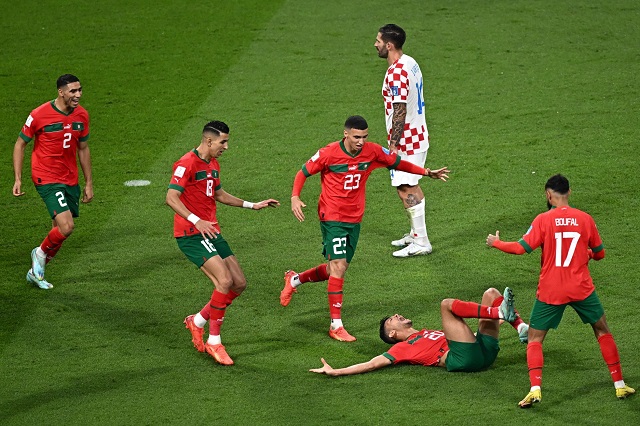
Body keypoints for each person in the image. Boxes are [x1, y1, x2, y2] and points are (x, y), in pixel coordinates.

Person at [280, 115, 449, 342]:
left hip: (354, 218)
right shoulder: (328, 153)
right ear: (346, 134)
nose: (361, 141)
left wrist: (426, 172)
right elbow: (303, 172)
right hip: (332, 216)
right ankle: (336, 325)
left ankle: (295, 279)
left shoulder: (372, 151)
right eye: (356, 137)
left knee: (335, 269)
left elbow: (398, 163)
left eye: (364, 137)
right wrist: (295, 196)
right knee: (338, 267)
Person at [486, 174, 635, 407]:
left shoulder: (543, 219)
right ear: (569, 192)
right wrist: (587, 254)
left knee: (535, 339)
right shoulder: (585, 219)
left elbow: (520, 248)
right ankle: (620, 385)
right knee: (602, 330)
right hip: (581, 288)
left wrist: (496, 243)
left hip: (551, 289)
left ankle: (535, 390)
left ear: (548, 194)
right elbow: (600, 253)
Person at [166, 121, 279, 366]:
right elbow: (171, 197)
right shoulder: (186, 163)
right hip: (191, 234)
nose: (226, 147)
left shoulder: (212, 164)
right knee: (224, 281)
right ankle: (214, 342)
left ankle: (197, 321)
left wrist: (252, 205)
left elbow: (219, 194)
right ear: (209, 140)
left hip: (211, 232)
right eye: (223, 142)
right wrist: (196, 220)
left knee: (239, 283)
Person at [310, 287, 526, 376]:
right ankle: (499, 312)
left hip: (484, 351)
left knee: (491, 293)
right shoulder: (402, 348)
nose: (396, 315)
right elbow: (372, 363)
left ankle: (521, 327)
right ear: (392, 335)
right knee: (446, 305)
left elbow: (466, 335)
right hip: (464, 359)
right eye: (391, 320)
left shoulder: (425, 332)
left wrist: (490, 327)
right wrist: (336, 371)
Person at [12, 74, 93, 290]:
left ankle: (35, 273)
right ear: (61, 92)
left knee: (58, 231)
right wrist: (18, 178)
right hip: (46, 177)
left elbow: (83, 149)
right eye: (73, 91)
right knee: (67, 226)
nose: (78, 95)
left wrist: (88, 182)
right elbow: (20, 144)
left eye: (80, 90)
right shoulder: (39, 114)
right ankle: (38, 254)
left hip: (70, 178)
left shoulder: (82, 115)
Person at [375, 24, 433, 258]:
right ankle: (415, 233)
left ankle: (421, 241)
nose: (376, 44)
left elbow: (399, 110)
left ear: (389, 45)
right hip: (417, 134)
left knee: (405, 188)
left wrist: (393, 144)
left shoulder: (397, 72)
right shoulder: (410, 62)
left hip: (407, 141)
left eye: (379, 41)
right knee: (409, 185)